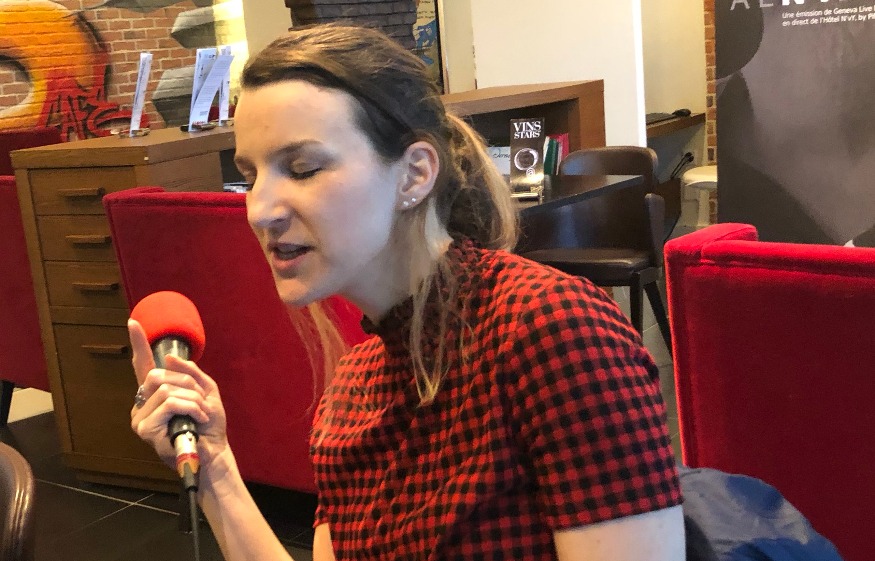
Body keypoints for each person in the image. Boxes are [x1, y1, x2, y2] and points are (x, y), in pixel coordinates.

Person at [127, 23, 684, 561]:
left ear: (415, 174)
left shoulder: (552, 331)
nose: (259, 210)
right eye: (250, 177)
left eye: (302, 168)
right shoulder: (351, 394)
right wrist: (216, 470)